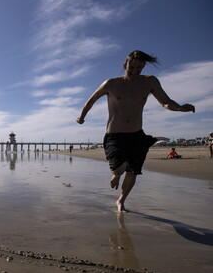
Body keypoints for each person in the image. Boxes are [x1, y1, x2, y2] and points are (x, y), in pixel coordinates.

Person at [76, 50, 195, 212]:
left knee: (132, 171)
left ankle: (121, 201)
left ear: (143, 67)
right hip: (114, 136)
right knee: (119, 169)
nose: (134, 71)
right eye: (131, 67)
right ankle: (116, 174)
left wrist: (180, 108)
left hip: (137, 135)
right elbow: (91, 100)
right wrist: (82, 117)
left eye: (139, 68)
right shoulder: (111, 84)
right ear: (125, 65)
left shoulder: (150, 82)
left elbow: (165, 102)